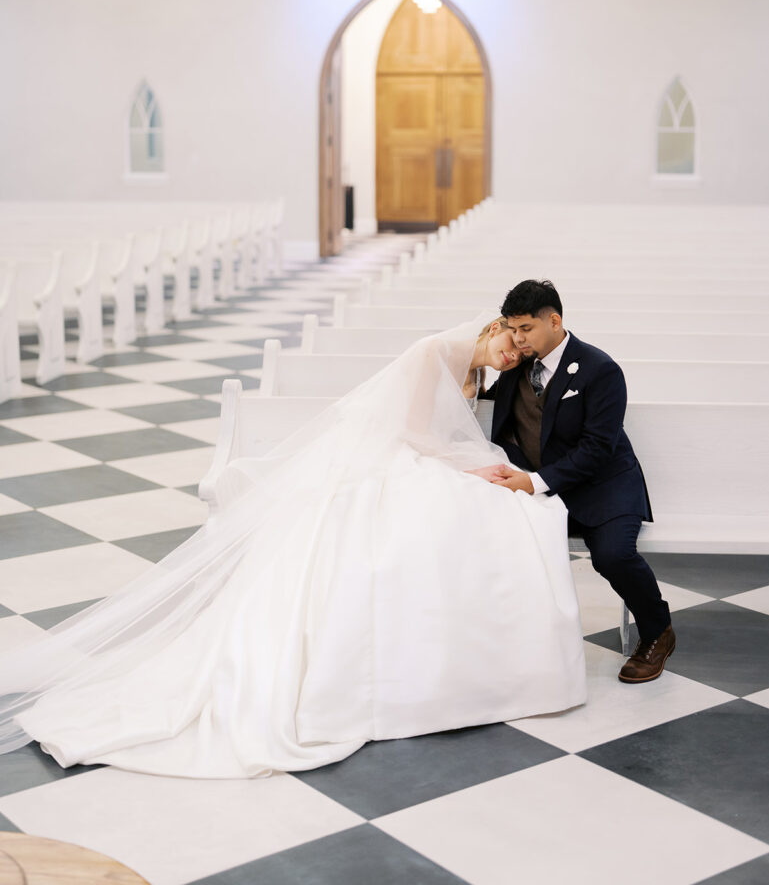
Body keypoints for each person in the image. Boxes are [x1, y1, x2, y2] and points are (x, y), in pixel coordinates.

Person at [0, 312, 586, 779]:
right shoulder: (433, 350)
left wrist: (475, 464)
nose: (512, 355)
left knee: (498, 512)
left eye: (520, 351)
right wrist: (463, 467)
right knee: (438, 515)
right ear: (491, 327)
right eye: (509, 342)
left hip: (422, 458)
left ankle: (470, 662)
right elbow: (411, 432)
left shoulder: (478, 374)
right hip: (398, 458)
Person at [483, 280, 675, 684]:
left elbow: (597, 449)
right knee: (490, 541)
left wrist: (533, 482)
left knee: (612, 556)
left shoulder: (599, 369)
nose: (518, 338)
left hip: (604, 488)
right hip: (541, 489)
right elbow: (494, 419)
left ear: (554, 321)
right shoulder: (515, 365)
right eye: (511, 329)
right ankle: (511, 642)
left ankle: (657, 631)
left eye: (526, 329)